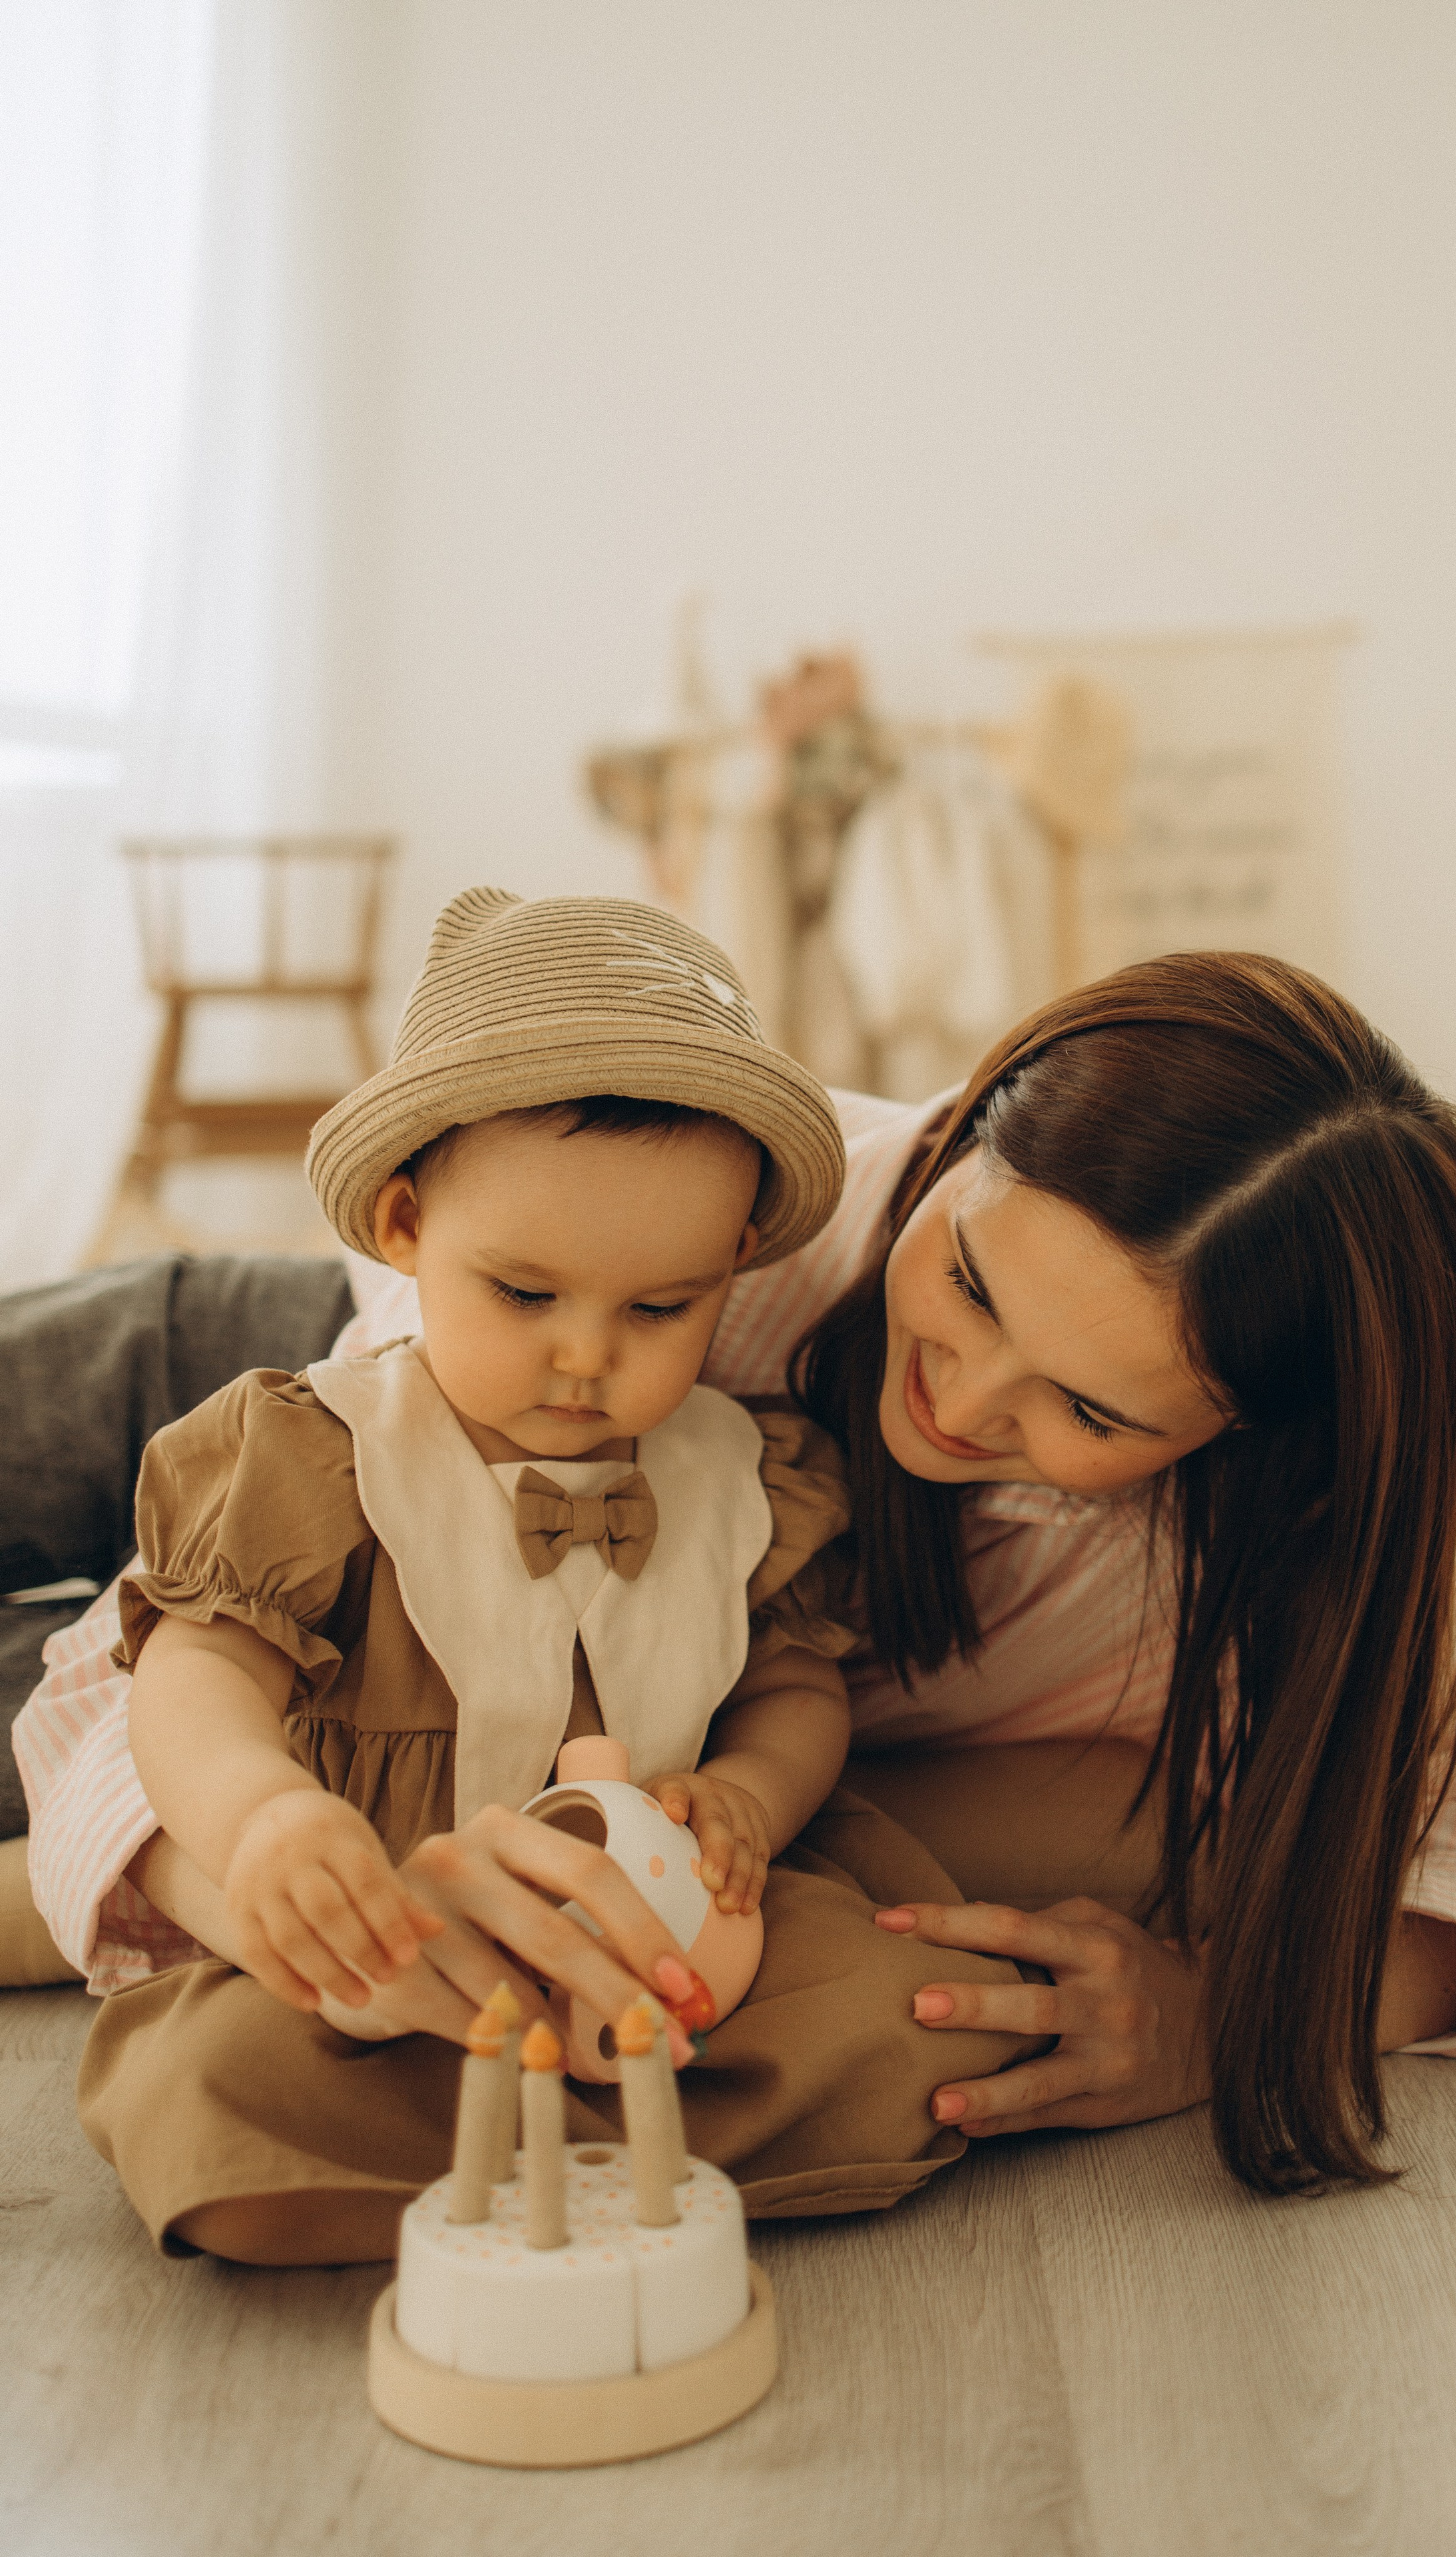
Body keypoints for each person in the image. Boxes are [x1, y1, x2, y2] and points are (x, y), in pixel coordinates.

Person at [15, 950, 1456, 2223]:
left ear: (1248, 1443)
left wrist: (1223, 2021)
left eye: (1086, 1412)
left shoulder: (1315, 1534)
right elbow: (138, 1672)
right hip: (300, 1382)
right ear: (967, 1123)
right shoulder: (704, 1261)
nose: (958, 1394)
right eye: (963, 1276)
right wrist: (262, 1886)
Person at [27, 890, 1042, 2262]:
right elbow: (192, 1677)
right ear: (403, 1226)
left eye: (659, 1309)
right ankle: (510, 2132)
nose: (586, 1355)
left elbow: (796, 1689)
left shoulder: (750, 1478)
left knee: (890, 2010)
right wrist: (264, 1820)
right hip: (399, 1919)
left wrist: (748, 1790)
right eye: (523, 1294)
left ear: (734, 1265)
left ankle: (537, 2145)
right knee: (213, 2078)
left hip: (655, 1919)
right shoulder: (313, 1454)